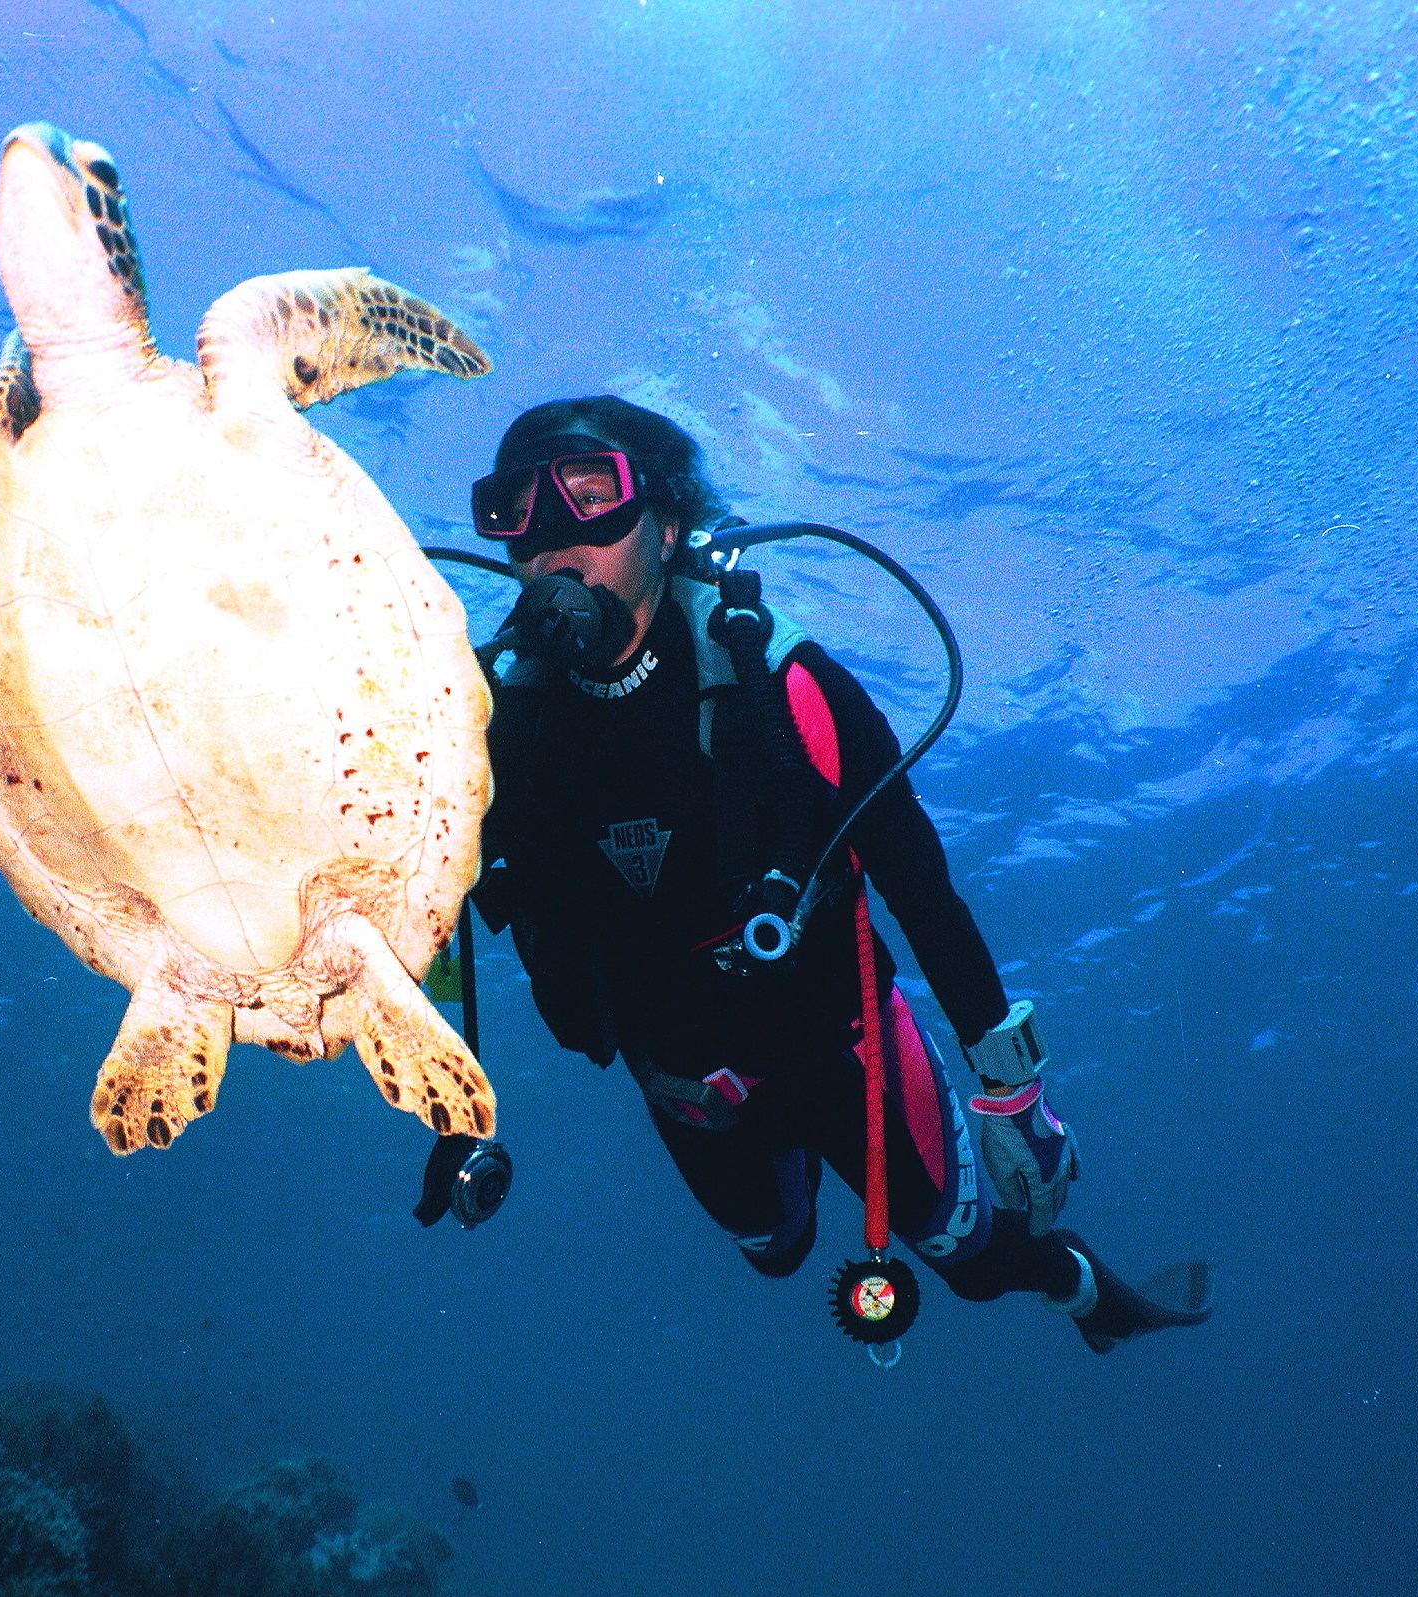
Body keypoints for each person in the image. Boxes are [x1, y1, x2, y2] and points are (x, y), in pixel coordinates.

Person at [463, 396, 1210, 1353]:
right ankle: (801, 1174)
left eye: (589, 494)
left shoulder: (780, 682)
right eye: (514, 510)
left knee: (973, 1261)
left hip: (839, 1042)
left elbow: (917, 878)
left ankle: (1078, 1284)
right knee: (775, 1250)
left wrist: (1014, 1095)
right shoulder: (494, 729)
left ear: (667, 520)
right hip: (682, 1076)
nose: (553, 541)